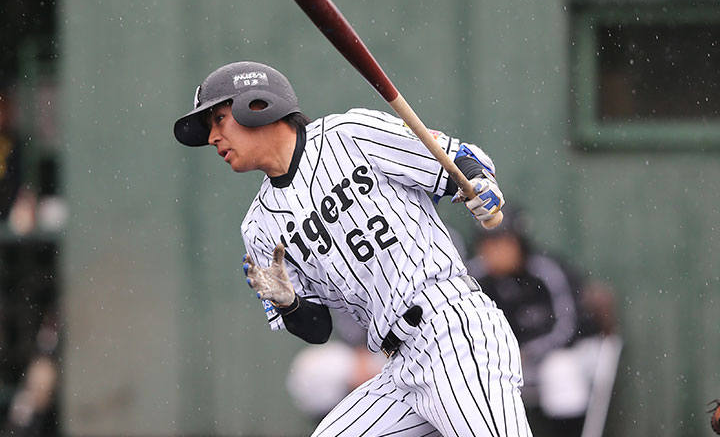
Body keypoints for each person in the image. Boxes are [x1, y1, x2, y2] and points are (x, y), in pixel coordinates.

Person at [173, 61, 533, 436]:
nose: (213, 137)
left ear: (258, 105)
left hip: (454, 332)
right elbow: (316, 328)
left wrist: (478, 181)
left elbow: (456, 159)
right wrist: (288, 303)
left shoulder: (349, 134)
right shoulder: (259, 227)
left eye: (219, 119)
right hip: (398, 366)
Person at [466, 208, 615, 437]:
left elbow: (569, 327)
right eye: (487, 243)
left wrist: (528, 351)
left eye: (501, 241)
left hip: (572, 353)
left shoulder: (545, 271)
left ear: (519, 242)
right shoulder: (474, 278)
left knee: (560, 372)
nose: (493, 250)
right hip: (507, 362)